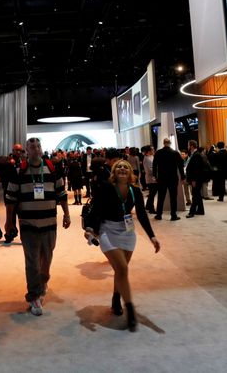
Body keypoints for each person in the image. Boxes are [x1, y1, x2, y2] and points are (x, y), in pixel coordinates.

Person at [85, 159, 160, 331]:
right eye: (118, 166)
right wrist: (90, 228)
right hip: (107, 231)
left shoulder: (135, 191)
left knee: (120, 270)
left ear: (130, 173)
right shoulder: (106, 187)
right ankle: (130, 308)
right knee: (123, 269)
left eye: (125, 167)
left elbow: (141, 214)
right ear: (114, 172)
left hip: (127, 233)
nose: (122, 169)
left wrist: (152, 237)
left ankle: (116, 297)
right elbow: (95, 209)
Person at [5, 137, 70, 316]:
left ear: (41, 149)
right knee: (32, 262)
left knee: (46, 259)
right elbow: (10, 198)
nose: (36, 148)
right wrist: (9, 221)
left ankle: (43, 280)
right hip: (28, 224)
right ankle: (34, 295)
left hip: (50, 224)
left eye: (38, 145)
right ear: (27, 150)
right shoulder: (19, 171)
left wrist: (66, 214)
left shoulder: (52, 168)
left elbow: (61, 193)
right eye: (32, 146)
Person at [152, 138, 185, 220]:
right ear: (170, 143)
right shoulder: (175, 153)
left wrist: (155, 176)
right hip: (173, 178)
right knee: (173, 197)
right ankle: (173, 215)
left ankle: (159, 215)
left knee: (161, 197)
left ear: (163, 143)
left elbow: (154, 165)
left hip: (162, 178)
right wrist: (183, 177)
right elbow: (181, 165)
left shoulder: (158, 153)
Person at [185, 140, 210, 217]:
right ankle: (200, 210)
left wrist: (193, 180)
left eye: (188, 145)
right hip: (196, 179)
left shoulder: (196, 155)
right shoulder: (195, 154)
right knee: (197, 195)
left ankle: (191, 212)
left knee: (195, 195)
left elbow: (196, 169)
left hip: (196, 179)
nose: (188, 147)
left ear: (192, 146)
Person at [141, 145, 159, 212]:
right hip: (151, 179)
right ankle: (151, 209)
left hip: (154, 178)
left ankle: (148, 206)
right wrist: (157, 170)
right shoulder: (146, 159)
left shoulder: (151, 157)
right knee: (152, 194)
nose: (153, 150)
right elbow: (148, 170)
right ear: (148, 151)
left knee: (152, 193)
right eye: (152, 149)